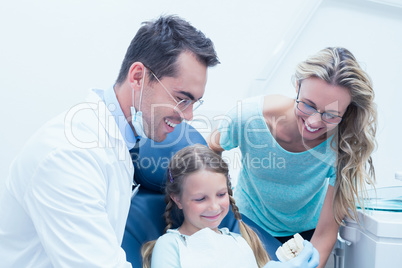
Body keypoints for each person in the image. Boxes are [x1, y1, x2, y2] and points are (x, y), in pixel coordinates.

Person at [0, 15, 219, 267]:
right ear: (138, 77)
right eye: (182, 98)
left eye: (194, 102)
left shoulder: (119, 142)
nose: (188, 115)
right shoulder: (69, 154)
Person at [207, 47, 377, 267]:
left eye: (331, 115)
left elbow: (326, 233)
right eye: (308, 105)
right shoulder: (248, 118)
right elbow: (209, 149)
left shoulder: (345, 144)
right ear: (297, 87)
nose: (314, 122)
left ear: (346, 112)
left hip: (307, 235)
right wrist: (222, 197)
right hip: (248, 225)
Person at [141, 144, 319, 268]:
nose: (214, 207)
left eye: (220, 194)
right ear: (178, 199)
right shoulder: (171, 246)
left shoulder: (239, 242)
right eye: (200, 199)